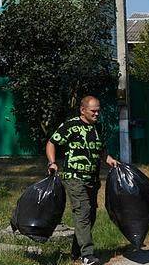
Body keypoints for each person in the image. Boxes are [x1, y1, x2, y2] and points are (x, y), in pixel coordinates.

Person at [46, 96, 119, 265]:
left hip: (92, 179)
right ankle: (87, 255)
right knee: (83, 211)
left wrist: (110, 160)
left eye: (98, 110)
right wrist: (52, 162)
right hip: (74, 177)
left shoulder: (98, 127)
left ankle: (75, 253)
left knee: (91, 215)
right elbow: (51, 142)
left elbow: (101, 150)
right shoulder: (70, 126)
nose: (97, 114)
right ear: (83, 110)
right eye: (93, 111)